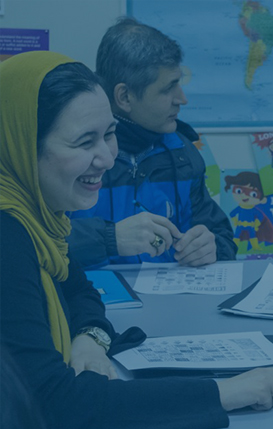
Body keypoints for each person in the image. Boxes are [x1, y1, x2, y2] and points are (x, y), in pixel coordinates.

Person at [0, 51, 273, 429]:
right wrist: (222, 392)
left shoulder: (39, 218)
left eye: (108, 134)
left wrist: (88, 339)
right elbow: (55, 405)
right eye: (84, 142)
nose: (105, 157)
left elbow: (79, 291)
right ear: (19, 144)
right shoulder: (8, 234)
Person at [67, 17, 236, 268]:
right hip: (88, 301)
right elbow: (32, 243)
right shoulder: (68, 154)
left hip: (171, 303)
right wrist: (109, 239)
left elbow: (222, 238)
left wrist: (211, 247)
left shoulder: (183, 153)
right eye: (168, 88)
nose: (182, 99)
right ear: (125, 97)